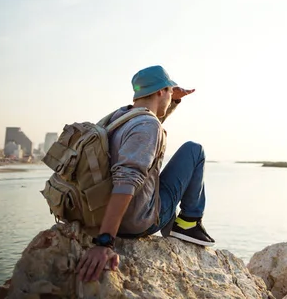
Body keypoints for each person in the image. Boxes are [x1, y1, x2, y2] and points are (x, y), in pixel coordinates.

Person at [76, 65, 214, 282]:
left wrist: (174, 100)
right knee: (194, 150)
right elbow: (126, 180)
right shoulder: (148, 126)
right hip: (135, 223)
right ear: (160, 92)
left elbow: (148, 128)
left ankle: (185, 223)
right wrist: (104, 242)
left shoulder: (121, 117)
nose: (171, 95)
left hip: (100, 213)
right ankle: (189, 223)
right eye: (169, 91)